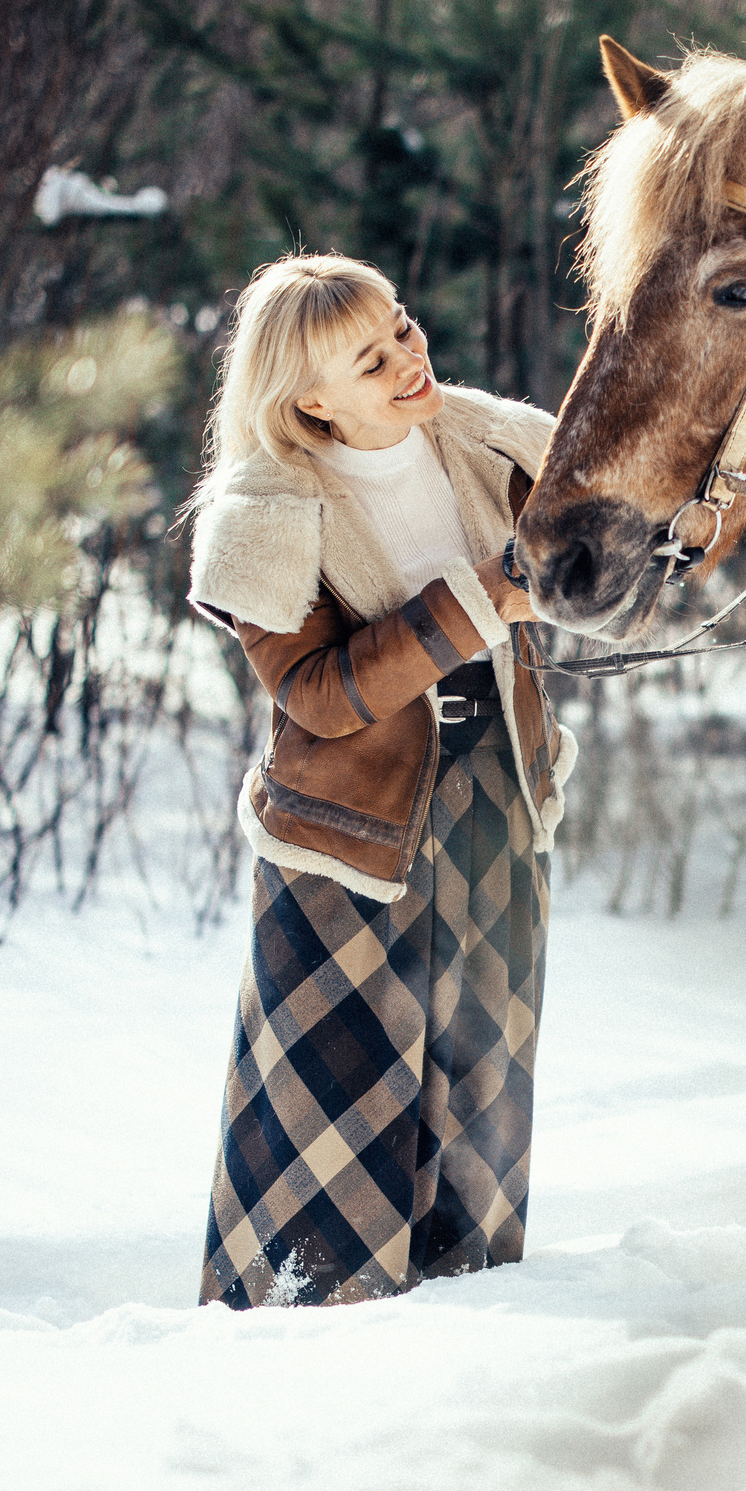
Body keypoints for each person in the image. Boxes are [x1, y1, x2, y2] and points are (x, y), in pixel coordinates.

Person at [183, 253, 574, 1308]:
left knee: (481, 1085)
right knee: (334, 1105)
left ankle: (468, 1312)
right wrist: (486, 598)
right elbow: (316, 696)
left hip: (498, 798)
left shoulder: (492, 437)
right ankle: (303, 1327)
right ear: (309, 399)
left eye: (401, 327)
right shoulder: (265, 509)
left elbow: (619, 540)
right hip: (348, 844)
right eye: (371, 358)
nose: (409, 357)